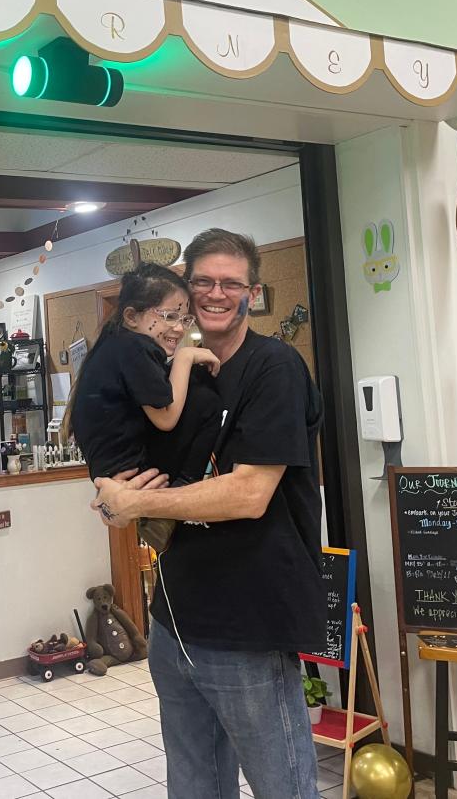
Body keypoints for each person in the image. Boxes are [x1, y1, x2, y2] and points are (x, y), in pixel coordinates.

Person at [92, 228, 324, 799]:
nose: (216, 294)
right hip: (174, 621)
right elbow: (141, 468)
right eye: (203, 282)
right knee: (195, 785)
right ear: (185, 289)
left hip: (246, 624)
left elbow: (249, 494)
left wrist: (139, 502)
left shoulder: (275, 369)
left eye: (231, 283)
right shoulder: (179, 374)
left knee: (283, 787)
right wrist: (115, 494)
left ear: (252, 291)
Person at [67, 262, 221, 550]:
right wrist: (187, 357)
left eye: (184, 319)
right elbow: (166, 419)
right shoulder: (136, 347)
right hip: (135, 470)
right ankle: (182, 488)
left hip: (111, 471)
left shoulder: (112, 345)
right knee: (205, 394)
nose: (178, 328)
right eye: (169, 316)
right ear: (131, 316)